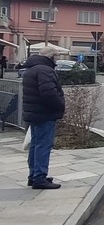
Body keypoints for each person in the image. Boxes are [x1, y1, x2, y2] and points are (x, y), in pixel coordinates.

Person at [22, 46, 65, 190]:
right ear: (51, 57)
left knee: (35, 144)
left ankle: (33, 175)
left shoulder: (31, 69)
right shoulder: (45, 70)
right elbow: (49, 93)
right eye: (56, 56)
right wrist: (60, 105)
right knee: (43, 145)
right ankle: (39, 178)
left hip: (34, 112)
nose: (57, 59)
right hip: (44, 113)